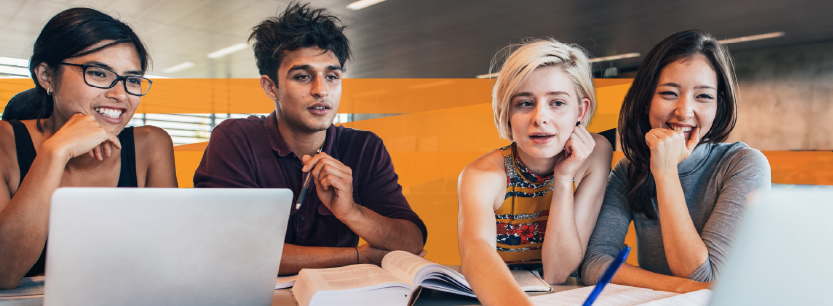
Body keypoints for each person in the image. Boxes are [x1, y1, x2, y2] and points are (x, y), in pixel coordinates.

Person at [193, 3, 427, 275]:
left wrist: (351, 212)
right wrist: (357, 256)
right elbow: (232, 250)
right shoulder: (235, 139)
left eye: (332, 76)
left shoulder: (364, 147)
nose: (321, 90)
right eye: (303, 77)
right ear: (271, 87)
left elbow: (411, 241)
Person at [581, 30, 772, 293]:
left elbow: (703, 274)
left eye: (703, 96)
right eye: (670, 93)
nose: (684, 111)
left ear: (718, 107)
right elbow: (595, 263)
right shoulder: (628, 170)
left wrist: (665, 171)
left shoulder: (743, 165)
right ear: (646, 101)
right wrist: (679, 288)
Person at [0, 8, 177, 289]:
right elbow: (4, 273)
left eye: (132, 80)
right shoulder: (5, 142)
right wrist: (55, 151)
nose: (120, 95)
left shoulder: (151, 145)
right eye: (98, 73)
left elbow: (170, 261)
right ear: (46, 76)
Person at [457, 38, 613, 305]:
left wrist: (564, 178)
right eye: (525, 103)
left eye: (557, 103)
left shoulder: (595, 153)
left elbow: (557, 271)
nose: (540, 117)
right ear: (507, 114)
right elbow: (476, 254)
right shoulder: (482, 175)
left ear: (581, 110)